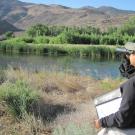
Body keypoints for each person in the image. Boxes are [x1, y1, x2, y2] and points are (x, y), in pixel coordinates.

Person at [94, 42, 135, 135]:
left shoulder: (131, 84)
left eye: (130, 53)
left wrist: (101, 122)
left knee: (106, 132)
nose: (127, 57)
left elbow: (122, 119)